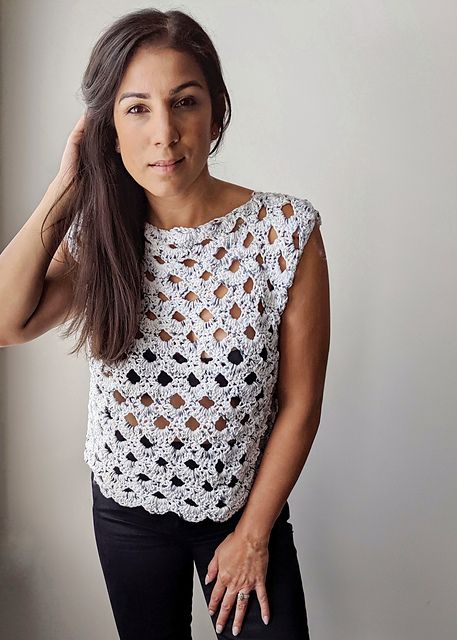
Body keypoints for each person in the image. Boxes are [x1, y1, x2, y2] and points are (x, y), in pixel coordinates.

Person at [0, 8, 330, 640]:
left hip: (244, 510)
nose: (164, 133)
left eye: (184, 102)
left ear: (216, 112)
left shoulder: (284, 232)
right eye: (137, 109)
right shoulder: (103, 235)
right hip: (127, 514)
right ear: (107, 129)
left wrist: (253, 535)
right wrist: (68, 186)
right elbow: (7, 322)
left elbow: (300, 402)